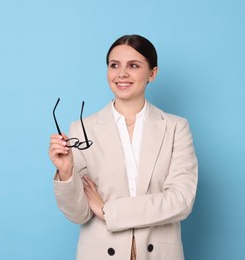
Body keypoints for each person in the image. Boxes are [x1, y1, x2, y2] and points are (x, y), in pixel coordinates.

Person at [48, 34, 198, 260]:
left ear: (152, 73)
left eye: (134, 65)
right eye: (114, 65)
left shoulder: (176, 127)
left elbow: (180, 201)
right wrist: (66, 173)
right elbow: (79, 214)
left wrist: (108, 211)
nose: (122, 74)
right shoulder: (81, 128)